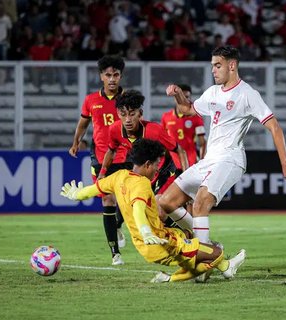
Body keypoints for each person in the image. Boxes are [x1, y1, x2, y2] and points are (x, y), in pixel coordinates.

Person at [159, 45, 286, 245]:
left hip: (230, 158)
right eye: (212, 66)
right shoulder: (213, 92)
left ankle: (204, 259)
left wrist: (285, 162)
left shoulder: (247, 94)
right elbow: (187, 109)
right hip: (210, 159)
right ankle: (209, 246)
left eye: (217, 65)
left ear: (232, 66)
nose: (213, 70)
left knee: (200, 203)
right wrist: (178, 94)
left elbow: (274, 127)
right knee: (166, 201)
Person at [60, 138, 246, 283]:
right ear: (147, 164)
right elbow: (138, 209)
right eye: (156, 164)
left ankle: (216, 268)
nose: (157, 169)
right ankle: (174, 278)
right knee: (216, 252)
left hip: (155, 239)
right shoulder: (141, 184)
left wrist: (77, 194)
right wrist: (146, 231)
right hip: (160, 243)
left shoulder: (118, 176)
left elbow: (92, 190)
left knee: (192, 235)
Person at [99, 90, 192, 231]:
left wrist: (187, 180)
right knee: (142, 212)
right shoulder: (114, 130)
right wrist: (102, 173)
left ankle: (191, 233)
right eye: (123, 114)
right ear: (117, 114)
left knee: (159, 212)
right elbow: (111, 150)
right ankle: (183, 233)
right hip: (144, 176)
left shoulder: (154, 131)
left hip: (163, 172)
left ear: (140, 114)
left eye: (132, 114)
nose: (128, 119)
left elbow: (180, 150)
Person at [69, 55, 131, 266]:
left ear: (120, 76)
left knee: (128, 200)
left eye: (115, 75)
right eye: (108, 75)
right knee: (108, 200)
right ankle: (115, 254)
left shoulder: (128, 98)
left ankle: (119, 224)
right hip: (100, 157)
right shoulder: (91, 100)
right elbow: (83, 124)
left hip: (127, 155)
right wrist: (76, 142)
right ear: (101, 76)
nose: (112, 79)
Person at [160, 84, 206, 171]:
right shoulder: (166, 117)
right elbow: (163, 142)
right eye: (182, 96)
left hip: (191, 163)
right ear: (175, 98)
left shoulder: (196, 117)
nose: (184, 99)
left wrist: (202, 162)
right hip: (172, 164)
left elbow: (202, 142)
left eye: (187, 97)